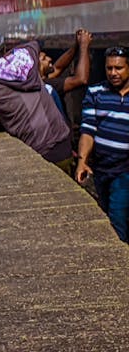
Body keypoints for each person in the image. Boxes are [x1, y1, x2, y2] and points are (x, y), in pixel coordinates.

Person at [0, 28, 71, 167]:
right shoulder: (28, 54)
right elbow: (34, 43)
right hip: (63, 145)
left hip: (36, 154)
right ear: (4, 48)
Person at [76, 45, 129, 241]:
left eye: (119, 68)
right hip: (100, 169)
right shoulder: (96, 92)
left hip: (124, 170)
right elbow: (88, 130)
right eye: (109, 68)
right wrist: (82, 161)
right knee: (103, 215)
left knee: (117, 219)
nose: (113, 73)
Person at [40, 28, 92, 120]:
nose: (49, 59)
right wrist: (84, 46)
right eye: (44, 58)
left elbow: (58, 68)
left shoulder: (40, 79)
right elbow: (81, 79)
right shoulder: (46, 86)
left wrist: (76, 46)